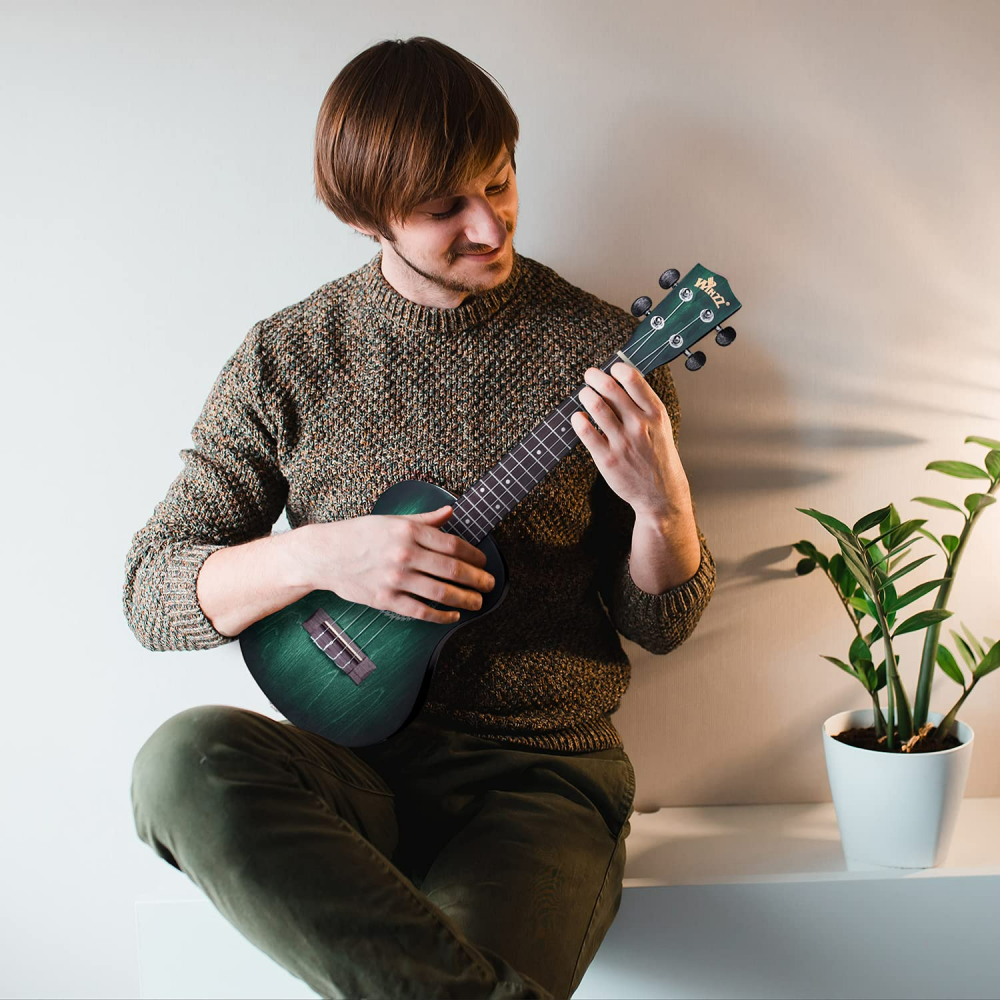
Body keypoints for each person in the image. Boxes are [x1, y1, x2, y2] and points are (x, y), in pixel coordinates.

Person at [125, 35, 716, 1000]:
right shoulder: (287, 357)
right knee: (179, 765)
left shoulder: (607, 352)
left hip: (540, 778)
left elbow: (660, 622)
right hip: (348, 772)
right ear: (366, 219)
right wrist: (323, 556)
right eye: (445, 209)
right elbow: (152, 592)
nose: (489, 226)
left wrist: (665, 506)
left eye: (501, 182)